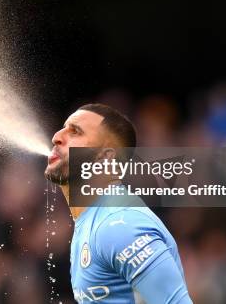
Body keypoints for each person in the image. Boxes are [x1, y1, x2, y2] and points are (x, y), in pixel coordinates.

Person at [45, 103, 192, 303]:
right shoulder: (94, 220)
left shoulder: (120, 224)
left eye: (75, 132)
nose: (57, 137)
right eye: (64, 128)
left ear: (105, 157)